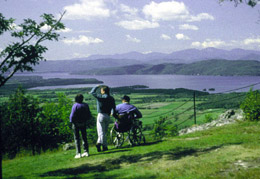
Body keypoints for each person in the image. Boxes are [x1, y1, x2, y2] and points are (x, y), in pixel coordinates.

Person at [90, 85, 116, 152]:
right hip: (107, 116)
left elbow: (92, 92)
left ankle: (99, 143)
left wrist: (96, 86)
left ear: (103, 91)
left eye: (101, 90)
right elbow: (114, 107)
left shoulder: (100, 97)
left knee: (101, 132)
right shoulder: (111, 98)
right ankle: (105, 147)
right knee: (104, 132)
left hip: (101, 115)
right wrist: (112, 113)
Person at [70, 94, 91, 159]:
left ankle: (78, 153)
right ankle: (86, 151)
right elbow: (89, 114)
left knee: (77, 138)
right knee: (84, 137)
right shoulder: (86, 105)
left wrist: (72, 122)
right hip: (83, 123)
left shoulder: (75, 105)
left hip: (76, 124)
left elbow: (72, 116)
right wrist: (86, 121)